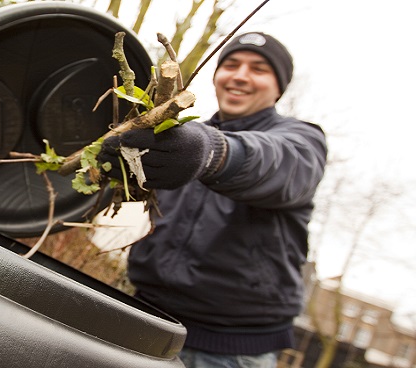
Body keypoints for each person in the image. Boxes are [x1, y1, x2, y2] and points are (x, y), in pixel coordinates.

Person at [98, 32, 328, 367]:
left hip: (230, 350)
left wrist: (213, 153)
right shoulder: (178, 141)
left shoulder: (301, 142)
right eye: (231, 64)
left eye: (259, 69)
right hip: (145, 321)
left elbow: (272, 163)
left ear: (279, 87)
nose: (240, 75)